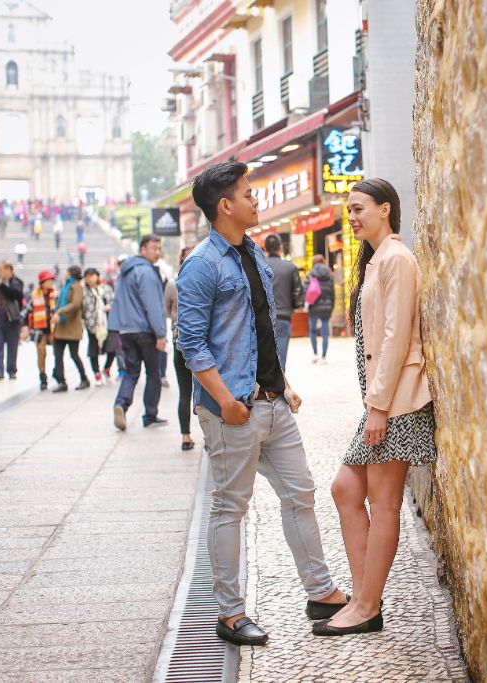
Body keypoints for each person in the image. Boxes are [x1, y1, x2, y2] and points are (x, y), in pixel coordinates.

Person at [177, 161, 347, 647]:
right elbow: (192, 344)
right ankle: (230, 614)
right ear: (225, 205)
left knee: (300, 493)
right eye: (248, 194)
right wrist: (226, 401)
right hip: (234, 408)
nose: (256, 200)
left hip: (273, 403)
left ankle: (321, 593)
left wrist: (283, 382)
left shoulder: (251, 252)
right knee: (231, 506)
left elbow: (258, 333)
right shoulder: (202, 265)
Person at [316, 179, 437, 637]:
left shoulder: (397, 259)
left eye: (359, 208)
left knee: (384, 503)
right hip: (383, 402)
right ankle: (363, 597)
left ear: (386, 209)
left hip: (398, 403)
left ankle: (366, 606)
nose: (351, 217)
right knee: (346, 490)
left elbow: (396, 337)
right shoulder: (376, 260)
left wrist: (379, 408)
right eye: (348, 210)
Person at [108, 234, 168, 429]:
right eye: (153, 248)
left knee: (131, 372)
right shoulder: (147, 272)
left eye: (159, 249)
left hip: (125, 330)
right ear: (143, 250)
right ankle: (150, 415)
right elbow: (153, 306)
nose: (157, 252)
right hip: (145, 330)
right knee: (153, 373)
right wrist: (160, 334)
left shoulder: (126, 271)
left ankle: (121, 404)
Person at [166, 246, 196, 451]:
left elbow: (167, 311)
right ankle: (212, 438)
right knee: (207, 393)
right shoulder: (205, 281)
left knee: (185, 392)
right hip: (203, 346)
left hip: (180, 343)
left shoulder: (172, 284)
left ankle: (186, 436)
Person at [262, 233, 303, 369]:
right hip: (283, 317)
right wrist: (296, 306)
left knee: (263, 359)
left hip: (262, 318)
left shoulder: (259, 266)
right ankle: (279, 382)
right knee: (281, 358)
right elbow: (298, 293)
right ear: (280, 247)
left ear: (265, 248)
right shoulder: (290, 267)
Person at [49, 265, 90, 392]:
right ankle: (61, 381)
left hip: (72, 327)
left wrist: (60, 312)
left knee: (74, 355)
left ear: (71, 273)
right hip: (61, 327)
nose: (64, 274)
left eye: (66, 272)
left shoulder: (76, 287)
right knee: (58, 355)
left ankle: (84, 379)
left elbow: (76, 304)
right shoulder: (65, 286)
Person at [0, 261, 25, 380]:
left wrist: (2, 285)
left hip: (12, 320)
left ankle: (11, 370)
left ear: (8, 269)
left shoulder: (17, 282)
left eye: (1, 270)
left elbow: (13, 295)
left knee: (12, 347)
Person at [21, 271, 57, 390]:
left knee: (58, 352)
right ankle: (43, 377)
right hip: (39, 330)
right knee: (41, 353)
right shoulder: (35, 296)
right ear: (42, 282)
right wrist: (25, 328)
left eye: (51, 280)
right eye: (48, 280)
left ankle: (57, 371)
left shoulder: (55, 295)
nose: (50, 282)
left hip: (53, 329)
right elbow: (25, 313)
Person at [81, 268, 116, 385]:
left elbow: (114, 301)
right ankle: (96, 373)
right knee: (93, 350)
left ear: (97, 276)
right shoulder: (84, 291)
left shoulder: (106, 288)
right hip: (92, 324)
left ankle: (106, 369)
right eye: (87, 276)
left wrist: (109, 306)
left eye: (92, 276)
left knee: (112, 348)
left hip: (108, 323)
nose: (89, 279)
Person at [303, 255, 334, 365]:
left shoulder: (310, 274)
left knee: (313, 331)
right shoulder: (329, 275)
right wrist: (331, 306)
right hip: (326, 307)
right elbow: (332, 294)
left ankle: (315, 354)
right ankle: (323, 357)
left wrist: (305, 304)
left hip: (313, 307)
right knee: (325, 332)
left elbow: (305, 291)